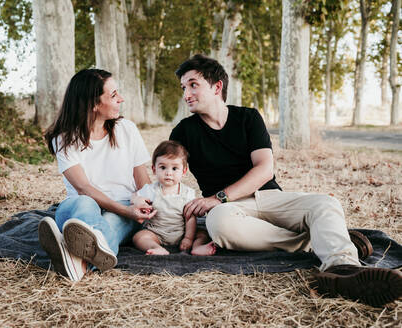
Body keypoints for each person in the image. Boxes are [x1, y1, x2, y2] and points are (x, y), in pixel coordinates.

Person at [169, 54, 402, 307]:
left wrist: (218, 197)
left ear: (217, 87)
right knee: (219, 223)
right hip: (229, 210)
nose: (186, 94)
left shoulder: (248, 118)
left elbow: (264, 170)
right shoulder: (184, 131)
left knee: (324, 204)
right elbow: (167, 171)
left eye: (193, 84)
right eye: (183, 87)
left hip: (269, 197)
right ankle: (313, 240)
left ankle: (343, 270)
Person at [38, 68, 157, 282]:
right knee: (85, 205)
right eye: (113, 95)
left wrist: (144, 205)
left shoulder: (127, 129)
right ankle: (89, 249)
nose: (121, 99)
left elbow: (142, 179)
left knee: (109, 223)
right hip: (79, 208)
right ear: (93, 104)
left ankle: (74, 260)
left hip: (123, 207)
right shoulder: (64, 138)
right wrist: (127, 211)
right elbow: (83, 188)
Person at [131, 140, 216, 256]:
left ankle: (197, 247)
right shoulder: (151, 190)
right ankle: (156, 248)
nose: (168, 173)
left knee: (202, 234)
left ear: (184, 171)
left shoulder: (187, 193)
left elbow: (190, 218)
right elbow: (134, 196)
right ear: (154, 169)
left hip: (182, 233)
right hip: (156, 233)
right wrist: (137, 200)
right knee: (139, 237)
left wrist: (188, 238)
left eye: (174, 168)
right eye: (163, 167)